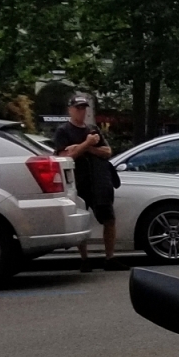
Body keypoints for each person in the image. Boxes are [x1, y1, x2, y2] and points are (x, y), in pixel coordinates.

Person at [54, 94, 121, 270]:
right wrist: (86, 143)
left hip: (100, 182)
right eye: (78, 108)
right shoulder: (64, 131)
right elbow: (65, 157)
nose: (81, 112)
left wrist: (86, 147)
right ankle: (84, 259)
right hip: (78, 183)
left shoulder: (92, 129)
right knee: (82, 220)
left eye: (84, 108)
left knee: (109, 219)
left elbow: (107, 151)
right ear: (70, 110)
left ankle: (110, 258)